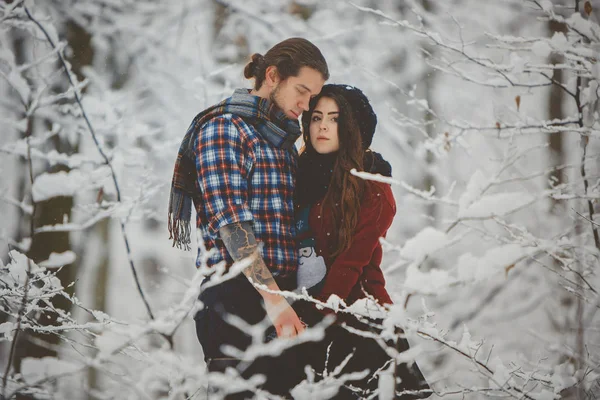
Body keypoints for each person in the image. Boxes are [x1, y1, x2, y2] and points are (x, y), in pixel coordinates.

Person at [167, 38, 328, 398]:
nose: (305, 106)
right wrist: (274, 301)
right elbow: (232, 225)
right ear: (272, 76)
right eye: (301, 92)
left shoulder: (282, 143)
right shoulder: (224, 129)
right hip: (235, 297)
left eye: (311, 98)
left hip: (282, 296)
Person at [293, 84, 431, 399]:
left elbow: (351, 262)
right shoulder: (296, 174)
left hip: (357, 316)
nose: (323, 126)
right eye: (316, 118)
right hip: (302, 316)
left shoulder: (372, 184)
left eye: (334, 118)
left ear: (354, 127)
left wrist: (320, 316)